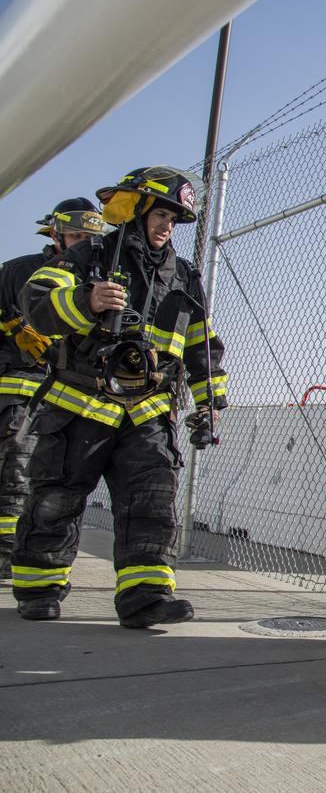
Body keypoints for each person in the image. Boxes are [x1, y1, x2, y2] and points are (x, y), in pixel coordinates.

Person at [10, 166, 227, 627]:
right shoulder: (90, 256)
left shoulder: (184, 276)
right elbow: (36, 300)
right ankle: (38, 589)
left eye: (175, 219)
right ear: (137, 209)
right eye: (161, 214)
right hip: (79, 405)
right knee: (57, 500)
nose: (168, 226)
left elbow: (202, 346)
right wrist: (85, 301)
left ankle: (145, 597)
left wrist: (211, 403)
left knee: (152, 500)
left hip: (147, 411)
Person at [0, 199, 114, 580]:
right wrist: (13, 327)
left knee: (21, 474)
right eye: (76, 235)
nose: (82, 242)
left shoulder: (95, 276)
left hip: (52, 392)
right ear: (55, 233)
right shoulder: (20, 272)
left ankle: (7, 556)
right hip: (12, 383)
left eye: (89, 236)